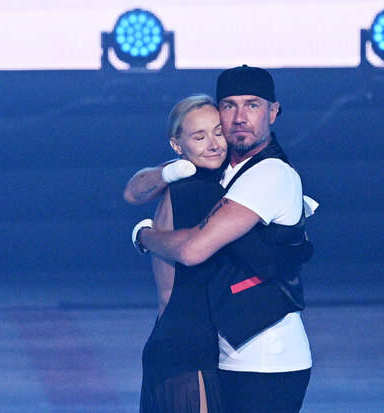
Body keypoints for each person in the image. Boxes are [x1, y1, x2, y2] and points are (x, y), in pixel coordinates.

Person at [133, 65, 314, 413]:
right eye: (230, 106)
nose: (240, 117)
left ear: (273, 112)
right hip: (224, 355)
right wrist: (171, 170)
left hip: (267, 359)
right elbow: (133, 190)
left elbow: (192, 250)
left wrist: (145, 236)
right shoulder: (220, 169)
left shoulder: (271, 173)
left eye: (252, 105)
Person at [129, 94, 228, 413]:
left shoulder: (184, 182)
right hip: (189, 350)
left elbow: (133, 191)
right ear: (177, 145)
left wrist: (144, 235)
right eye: (199, 137)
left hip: (171, 343)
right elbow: (190, 251)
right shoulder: (198, 190)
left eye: (219, 132)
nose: (213, 144)